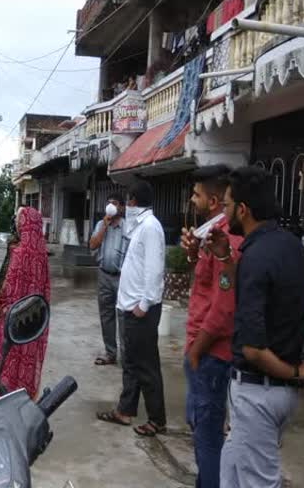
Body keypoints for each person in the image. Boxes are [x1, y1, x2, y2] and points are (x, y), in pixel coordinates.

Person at [207, 167, 304, 488]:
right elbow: (297, 305)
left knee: (257, 481)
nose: (224, 212)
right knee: (230, 471)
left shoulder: (257, 257)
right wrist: (226, 260)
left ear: (243, 210)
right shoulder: (292, 248)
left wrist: (297, 374)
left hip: (259, 391)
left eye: (228, 205)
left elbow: (253, 349)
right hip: (276, 393)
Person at [180, 165, 243, 488]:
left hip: (210, 353)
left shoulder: (225, 238)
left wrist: (196, 351)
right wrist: (193, 255)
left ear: (214, 200)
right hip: (204, 350)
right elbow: (207, 285)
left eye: (197, 195)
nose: (192, 200)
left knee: (207, 435)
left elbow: (223, 305)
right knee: (202, 427)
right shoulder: (210, 233)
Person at [96, 180, 167, 437]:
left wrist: (145, 304)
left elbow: (154, 270)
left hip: (141, 309)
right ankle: (125, 410)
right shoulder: (139, 226)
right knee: (132, 363)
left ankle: (157, 419)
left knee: (146, 366)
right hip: (130, 306)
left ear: (134, 202)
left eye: (127, 201)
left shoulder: (150, 227)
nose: (124, 207)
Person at [0, 206, 51, 400]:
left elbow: (6, 289)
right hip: (33, 321)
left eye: (19, 218)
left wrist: (1, 305)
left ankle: (3, 399)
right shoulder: (42, 254)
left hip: (12, 320)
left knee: (7, 360)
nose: (16, 221)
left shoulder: (19, 252)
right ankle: (23, 399)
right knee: (26, 358)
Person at [89, 194, 127, 366]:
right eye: (109, 203)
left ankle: (126, 357)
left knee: (123, 316)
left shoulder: (127, 227)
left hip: (122, 277)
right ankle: (110, 353)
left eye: (115, 203)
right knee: (106, 316)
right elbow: (93, 245)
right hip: (104, 275)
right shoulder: (100, 224)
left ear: (122, 208)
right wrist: (105, 224)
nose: (111, 206)